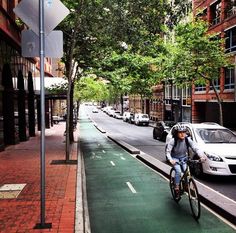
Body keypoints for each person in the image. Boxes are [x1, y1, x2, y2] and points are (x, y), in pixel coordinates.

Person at [166, 123, 205, 193]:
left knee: (186, 171)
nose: (182, 134)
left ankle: (186, 185)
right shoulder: (173, 141)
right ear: (176, 133)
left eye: (184, 132)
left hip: (184, 158)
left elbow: (195, 148)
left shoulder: (187, 140)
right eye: (180, 132)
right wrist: (171, 160)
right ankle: (176, 186)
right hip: (175, 158)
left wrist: (201, 156)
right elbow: (168, 152)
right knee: (178, 171)